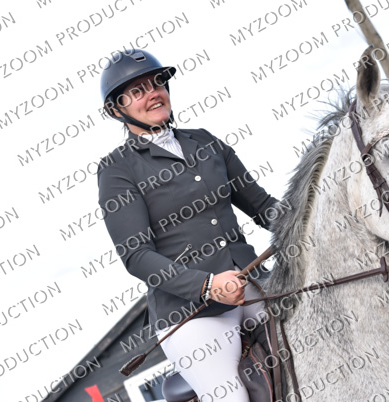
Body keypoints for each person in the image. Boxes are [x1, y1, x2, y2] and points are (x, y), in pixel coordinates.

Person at [96, 48, 279, 401]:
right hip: (190, 315)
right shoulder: (117, 169)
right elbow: (137, 256)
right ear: (117, 110)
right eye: (137, 91)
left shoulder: (205, 141)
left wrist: (313, 219)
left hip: (253, 282)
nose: (153, 93)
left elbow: (262, 207)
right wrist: (207, 285)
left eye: (156, 84)